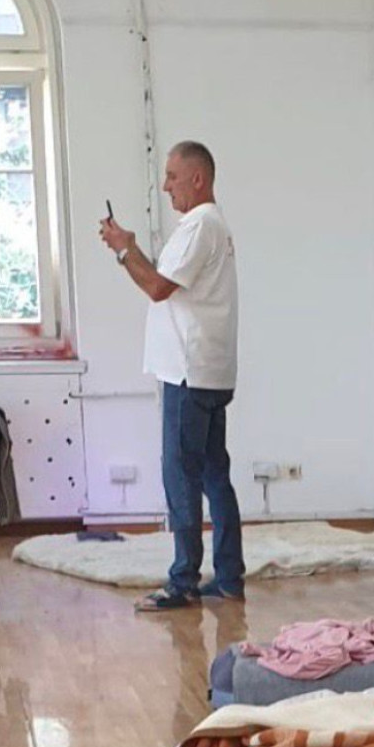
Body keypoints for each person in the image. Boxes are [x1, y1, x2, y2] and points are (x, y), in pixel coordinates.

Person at [100, 141, 245, 610]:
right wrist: (130, 248)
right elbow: (166, 283)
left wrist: (125, 250)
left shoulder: (200, 225)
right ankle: (228, 578)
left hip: (188, 372)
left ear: (198, 179)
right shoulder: (211, 226)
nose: (165, 186)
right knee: (214, 475)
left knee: (181, 477)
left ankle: (182, 581)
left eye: (172, 176)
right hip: (209, 370)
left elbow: (157, 288)